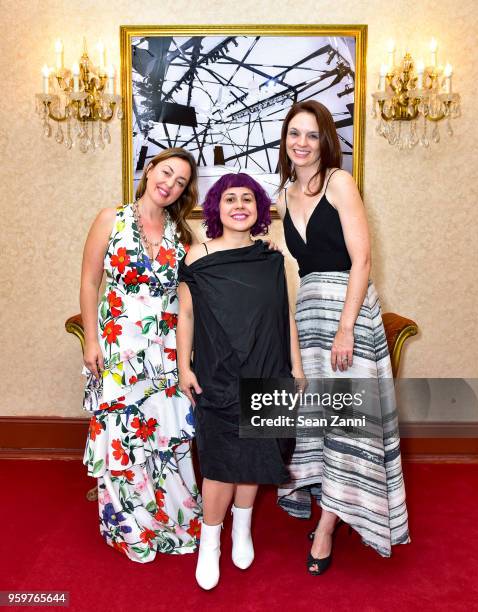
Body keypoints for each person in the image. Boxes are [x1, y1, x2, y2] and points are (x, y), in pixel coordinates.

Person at [275, 100, 410, 573]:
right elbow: (287, 261)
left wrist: (347, 327)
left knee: (348, 421)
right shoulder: (283, 193)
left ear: (325, 140)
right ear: (285, 138)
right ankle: (332, 506)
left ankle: (328, 527)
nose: (302, 143)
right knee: (322, 421)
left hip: (346, 317)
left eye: (312, 134)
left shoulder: (339, 182)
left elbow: (363, 260)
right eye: (295, 133)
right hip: (309, 312)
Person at [177, 173, 303, 590]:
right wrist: (184, 366)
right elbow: (187, 316)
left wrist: (296, 368)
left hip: (268, 368)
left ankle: (242, 527)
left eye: (247, 198)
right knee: (219, 462)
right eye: (230, 198)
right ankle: (209, 540)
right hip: (218, 373)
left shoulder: (271, 259)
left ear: (258, 209)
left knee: (258, 454)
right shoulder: (197, 256)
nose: (239, 205)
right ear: (216, 207)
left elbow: (284, 316)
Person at [80, 148, 202, 562]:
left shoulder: (181, 235)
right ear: (150, 170)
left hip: (163, 352)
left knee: (162, 434)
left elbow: (194, 291)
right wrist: (91, 341)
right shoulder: (110, 219)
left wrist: (260, 252)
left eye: (180, 181)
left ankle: (170, 516)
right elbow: (89, 280)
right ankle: (128, 523)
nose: (169, 183)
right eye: (166, 172)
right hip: (117, 345)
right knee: (121, 435)